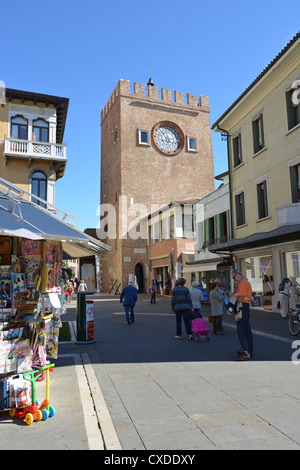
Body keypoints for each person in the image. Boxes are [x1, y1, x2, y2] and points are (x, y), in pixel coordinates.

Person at [231, 269, 253, 361]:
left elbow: (240, 298)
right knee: (247, 330)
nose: (234, 279)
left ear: (238, 275)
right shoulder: (244, 282)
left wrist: (232, 299)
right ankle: (249, 351)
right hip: (245, 307)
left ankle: (246, 352)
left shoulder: (243, 283)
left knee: (241, 330)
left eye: (234, 277)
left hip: (242, 307)